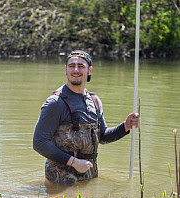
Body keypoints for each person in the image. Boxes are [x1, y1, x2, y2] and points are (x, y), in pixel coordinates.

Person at [33, 50, 139, 185]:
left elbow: (102, 137)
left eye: (81, 66)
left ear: (89, 70)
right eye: (71, 66)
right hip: (61, 180)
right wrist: (74, 162)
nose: (76, 69)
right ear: (66, 69)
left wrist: (126, 126)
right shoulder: (55, 103)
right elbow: (39, 142)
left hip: (89, 176)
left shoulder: (95, 101)